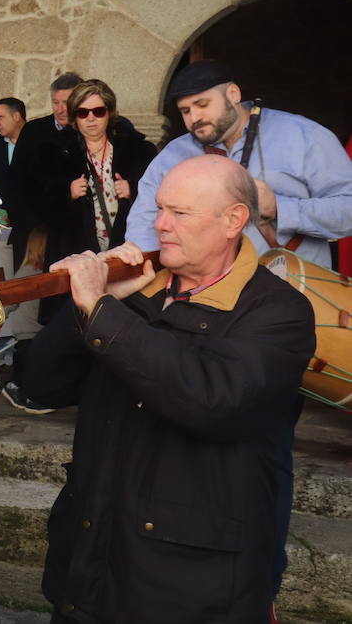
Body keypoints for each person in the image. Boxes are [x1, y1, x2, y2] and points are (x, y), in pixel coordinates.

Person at [22, 156, 315, 623]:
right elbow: (40, 383)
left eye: (180, 213)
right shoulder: (135, 293)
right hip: (88, 567)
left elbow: (209, 399)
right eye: (159, 209)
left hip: (193, 588)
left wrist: (101, 310)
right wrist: (84, 312)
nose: (159, 225)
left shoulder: (280, 312)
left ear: (233, 220)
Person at [127, 59, 352, 269]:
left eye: (202, 104)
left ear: (233, 94)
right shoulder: (173, 156)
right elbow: (144, 223)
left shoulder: (304, 136)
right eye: (185, 111)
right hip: (204, 298)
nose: (194, 117)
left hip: (296, 295)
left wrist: (279, 207)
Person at [43, 79, 156, 260]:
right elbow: (40, 206)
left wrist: (134, 189)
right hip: (77, 255)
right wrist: (67, 192)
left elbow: (159, 196)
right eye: (82, 112)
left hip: (128, 251)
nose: (91, 118)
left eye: (98, 111)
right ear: (74, 117)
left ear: (109, 113)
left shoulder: (137, 150)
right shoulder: (55, 154)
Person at [10, 72, 83, 270]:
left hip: (75, 233)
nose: (60, 109)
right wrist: (33, 226)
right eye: (55, 102)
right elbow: (17, 179)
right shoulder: (33, 131)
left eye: (66, 102)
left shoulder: (87, 132)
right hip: (34, 231)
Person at [0, 96, 26, 227]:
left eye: (0, 117)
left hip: (35, 223)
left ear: (16, 116)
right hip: (3, 222)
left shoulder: (39, 141)